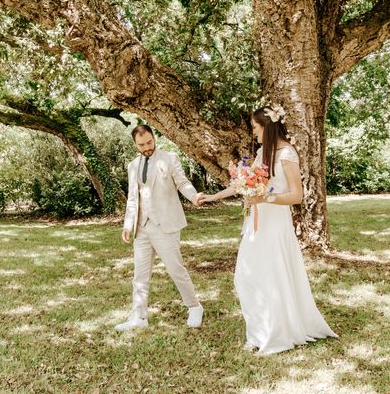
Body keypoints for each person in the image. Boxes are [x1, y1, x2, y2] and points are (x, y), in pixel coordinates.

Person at [200, 106, 337, 354]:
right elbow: (242, 183)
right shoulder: (264, 152)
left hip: (275, 223)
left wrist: (266, 199)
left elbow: (297, 195)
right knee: (246, 275)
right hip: (257, 220)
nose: (253, 133)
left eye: (255, 127)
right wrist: (213, 197)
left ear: (267, 126)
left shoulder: (287, 154)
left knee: (270, 276)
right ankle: (259, 330)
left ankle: (266, 334)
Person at [115, 124, 204, 331]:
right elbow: (132, 198)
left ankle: (194, 307)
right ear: (134, 144)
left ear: (154, 138)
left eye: (149, 142)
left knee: (175, 269)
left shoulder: (169, 158)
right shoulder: (132, 166)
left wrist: (194, 196)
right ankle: (139, 317)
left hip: (165, 225)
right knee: (140, 274)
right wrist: (128, 224)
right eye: (141, 145)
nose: (146, 147)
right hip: (142, 228)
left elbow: (182, 183)